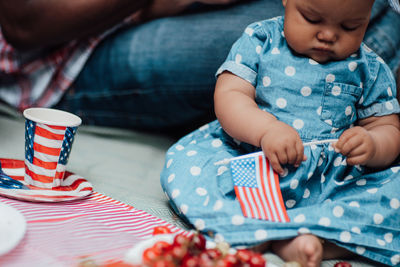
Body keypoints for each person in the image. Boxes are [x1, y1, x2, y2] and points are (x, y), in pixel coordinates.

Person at [160, 0, 400, 266]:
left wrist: (374, 144)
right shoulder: (261, 40)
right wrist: (265, 129)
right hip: (254, 163)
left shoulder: (370, 68)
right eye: (311, 18)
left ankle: (311, 236)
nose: (328, 35)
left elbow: (387, 127)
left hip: (331, 184)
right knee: (192, 167)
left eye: (350, 26)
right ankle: (266, 229)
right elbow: (230, 95)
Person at [0, 0, 399, 136]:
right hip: (57, 64)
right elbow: (24, 21)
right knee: (338, 20)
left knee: (348, 11)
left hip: (135, 16)